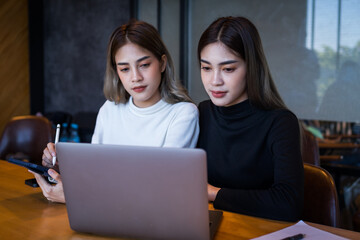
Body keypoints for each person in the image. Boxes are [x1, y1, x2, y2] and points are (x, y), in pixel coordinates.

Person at [31, 20, 199, 203]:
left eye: (144, 65)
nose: (136, 77)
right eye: (125, 69)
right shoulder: (109, 110)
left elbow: (158, 186)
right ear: (116, 72)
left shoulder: (184, 114)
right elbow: (95, 173)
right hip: (105, 213)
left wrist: (77, 196)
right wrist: (62, 165)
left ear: (162, 63)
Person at [196, 16, 303, 221]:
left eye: (228, 69)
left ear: (251, 67)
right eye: (206, 68)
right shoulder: (201, 113)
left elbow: (288, 204)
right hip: (211, 226)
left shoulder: (280, 122)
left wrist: (214, 193)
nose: (214, 81)